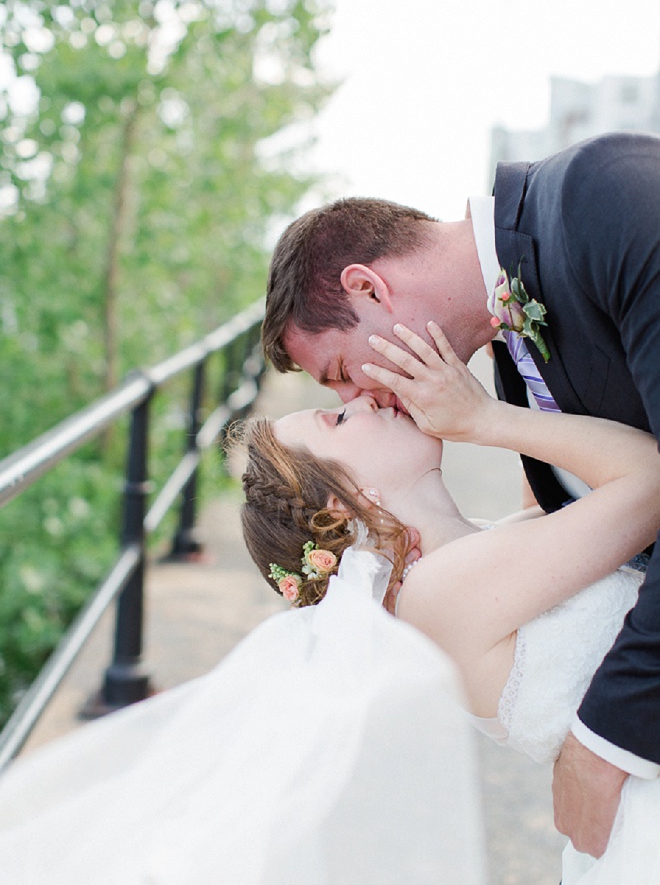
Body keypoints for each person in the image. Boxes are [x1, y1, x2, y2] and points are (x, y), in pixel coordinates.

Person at [260, 130, 660, 856]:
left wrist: (606, 739)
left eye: (344, 375)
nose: (366, 398)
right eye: (340, 403)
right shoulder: (508, 375)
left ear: (367, 288)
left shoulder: (607, 197)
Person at [242, 323, 660, 883]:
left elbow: (562, 495)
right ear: (345, 503)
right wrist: (487, 421)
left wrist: (502, 342)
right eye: (337, 420)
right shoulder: (439, 595)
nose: (362, 400)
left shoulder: (456, 565)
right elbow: (651, 483)